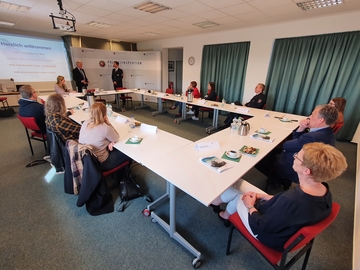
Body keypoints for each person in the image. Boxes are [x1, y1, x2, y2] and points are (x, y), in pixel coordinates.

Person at [211, 142, 347, 251]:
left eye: (297, 157)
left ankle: (224, 214)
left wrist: (250, 206)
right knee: (240, 184)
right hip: (279, 218)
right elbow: (284, 204)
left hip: (266, 234)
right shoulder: (323, 190)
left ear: (306, 171)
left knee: (240, 195)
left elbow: (263, 225)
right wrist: (262, 196)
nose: (294, 157)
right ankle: (219, 204)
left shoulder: (292, 200)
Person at [255, 104, 339, 187]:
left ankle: (278, 179)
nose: (309, 117)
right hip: (310, 164)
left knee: (258, 159)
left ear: (321, 120)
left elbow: (286, 145)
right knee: (273, 150)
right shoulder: (329, 133)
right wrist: (301, 129)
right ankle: (280, 178)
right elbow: (298, 143)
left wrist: (300, 129)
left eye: (312, 115)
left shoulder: (312, 137)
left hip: (294, 165)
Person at [79, 103, 132, 171]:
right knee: (128, 152)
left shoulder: (85, 123)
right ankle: (125, 177)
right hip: (101, 163)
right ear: (105, 114)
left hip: (86, 161)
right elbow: (116, 137)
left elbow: (97, 138)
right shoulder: (105, 128)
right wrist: (109, 124)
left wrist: (109, 141)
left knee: (113, 147)